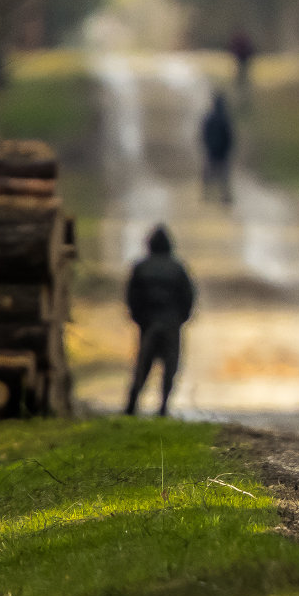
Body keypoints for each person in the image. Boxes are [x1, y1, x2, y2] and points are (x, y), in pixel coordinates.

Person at [124, 225, 196, 416]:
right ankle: (163, 406)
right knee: (170, 367)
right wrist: (181, 318)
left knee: (142, 365)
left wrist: (139, 318)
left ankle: (131, 406)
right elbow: (188, 296)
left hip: (148, 323)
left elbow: (132, 296)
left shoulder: (141, 267)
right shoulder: (178, 268)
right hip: (171, 323)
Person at [200, 91, 234, 204]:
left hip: (212, 150)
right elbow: (230, 136)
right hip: (221, 151)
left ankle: (207, 194)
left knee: (210, 172)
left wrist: (207, 146)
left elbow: (204, 134)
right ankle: (223, 196)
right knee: (223, 175)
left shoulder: (209, 118)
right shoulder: (226, 118)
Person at [228, 29, 256, 93]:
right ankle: (241, 85)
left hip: (243, 60)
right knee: (241, 74)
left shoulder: (239, 41)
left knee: (242, 74)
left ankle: (241, 85)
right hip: (241, 60)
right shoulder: (243, 41)